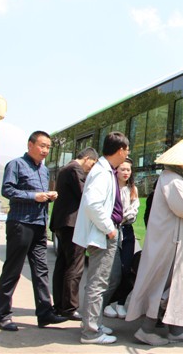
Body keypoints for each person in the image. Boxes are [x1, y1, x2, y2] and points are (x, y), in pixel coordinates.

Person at [126, 140, 183, 346]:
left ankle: (175, 329)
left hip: (172, 239)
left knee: (173, 284)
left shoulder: (170, 177)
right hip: (174, 242)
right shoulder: (174, 180)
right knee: (166, 284)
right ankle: (148, 329)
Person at [0, 131, 67, 332]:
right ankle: (3, 315)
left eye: (48, 147)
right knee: (13, 270)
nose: (45, 150)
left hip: (39, 225)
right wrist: (33, 196)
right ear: (30, 144)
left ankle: (45, 313)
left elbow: (39, 196)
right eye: (42, 146)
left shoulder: (43, 170)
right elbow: (7, 190)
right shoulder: (16, 164)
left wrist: (49, 197)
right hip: (21, 223)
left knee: (41, 270)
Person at [73, 131, 129, 345]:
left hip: (107, 232)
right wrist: (109, 229)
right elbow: (92, 203)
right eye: (127, 149)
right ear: (121, 150)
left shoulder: (107, 170)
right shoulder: (102, 172)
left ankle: (92, 321)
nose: (128, 154)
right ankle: (90, 331)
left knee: (108, 279)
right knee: (98, 282)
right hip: (104, 233)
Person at [50, 147, 98, 321]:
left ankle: (60, 305)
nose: (90, 169)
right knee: (75, 266)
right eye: (92, 164)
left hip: (62, 224)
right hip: (71, 224)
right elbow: (85, 193)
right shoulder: (75, 169)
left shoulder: (65, 169)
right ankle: (69, 307)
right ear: (86, 158)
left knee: (62, 264)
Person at [103, 157, 139, 319]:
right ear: (116, 170)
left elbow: (134, 210)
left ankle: (120, 303)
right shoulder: (110, 187)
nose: (125, 172)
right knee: (113, 271)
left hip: (127, 231)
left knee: (128, 269)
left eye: (128, 170)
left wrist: (125, 216)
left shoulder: (133, 189)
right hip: (113, 230)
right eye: (123, 169)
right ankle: (106, 303)